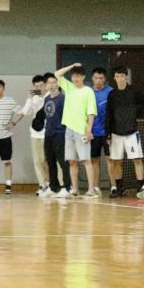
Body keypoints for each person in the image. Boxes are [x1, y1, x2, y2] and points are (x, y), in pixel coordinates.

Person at [55, 63, 98, 197]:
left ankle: (91, 189)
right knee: (71, 161)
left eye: (78, 76)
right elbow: (57, 74)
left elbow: (91, 112)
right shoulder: (68, 87)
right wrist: (72, 65)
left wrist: (89, 130)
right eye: (73, 76)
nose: (75, 78)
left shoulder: (88, 91)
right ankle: (75, 189)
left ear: (83, 77)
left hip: (81, 130)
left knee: (86, 160)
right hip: (69, 129)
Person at [105, 66, 144, 197]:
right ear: (114, 78)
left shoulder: (134, 91)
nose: (120, 78)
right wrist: (108, 133)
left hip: (132, 132)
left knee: (137, 159)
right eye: (117, 76)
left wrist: (134, 113)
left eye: (122, 76)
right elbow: (108, 114)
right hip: (116, 133)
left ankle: (140, 188)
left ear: (126, 77)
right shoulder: (112, 94)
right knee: (117, 161)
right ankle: (120, 188)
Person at [11, 75, 49, 196]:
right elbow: (25, 112)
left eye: (41, 85)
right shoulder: (33, 98)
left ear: (45, 85)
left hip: (48, 133)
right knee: (37, 161)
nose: (39, 88)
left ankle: (51, 184)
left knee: (48, 160)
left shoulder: (50, 96)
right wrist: (29, 99)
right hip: (35, 133)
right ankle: (42, 185)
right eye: (36, 86)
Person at [41, 72, 70, 198]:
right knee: (50, 161)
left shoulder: (63, 98)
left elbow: (67, 117)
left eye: (54, 82)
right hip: (48, 134)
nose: (51, 85)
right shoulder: (46, 99)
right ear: (46, 85)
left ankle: (68, 187)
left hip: (60, 133)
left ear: (58, 84)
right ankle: (54, 187)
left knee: (62, 161)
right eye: (49, 83)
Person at [89, 67, 113, 191]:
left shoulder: (111, 91)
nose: (98, 80)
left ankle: (114, 186)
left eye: (101, 78)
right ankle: (96, 187)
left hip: (108, 132)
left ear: (105, 79)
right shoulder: (88, 92)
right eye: (96, 78)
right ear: (92, 79)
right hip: (93, 133)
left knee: (110, 160)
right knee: (94, 160)